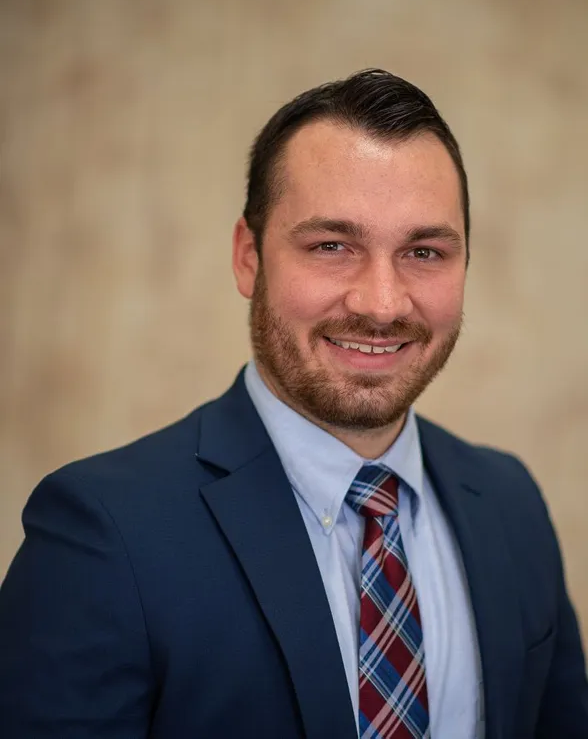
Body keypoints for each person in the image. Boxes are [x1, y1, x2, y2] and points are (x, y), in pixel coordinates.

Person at [0, 69, 586, 739]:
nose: (382, 304)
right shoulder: (102, 534)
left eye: (424, 251)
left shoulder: (510, 504)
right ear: (249, 257)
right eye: (332, 246)